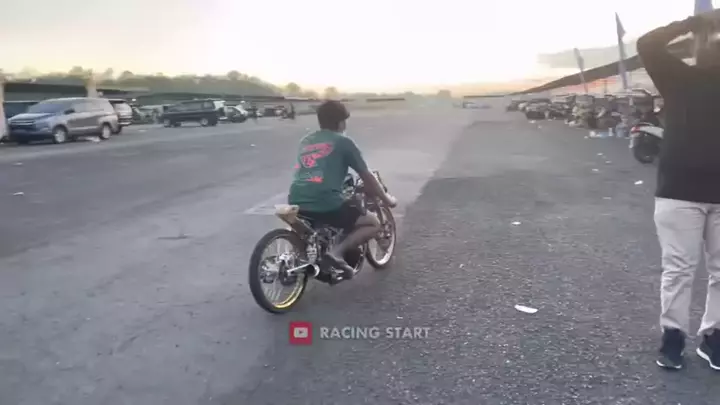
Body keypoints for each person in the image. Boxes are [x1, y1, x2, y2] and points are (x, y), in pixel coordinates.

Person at [637, 10, 720, 371]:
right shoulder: (677, 77)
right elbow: (647, 44)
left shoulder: (676, 77)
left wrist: (693, 25)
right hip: (679, 193)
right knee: (679, 269)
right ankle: (674, 336)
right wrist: (688, 23)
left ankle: (713, 337)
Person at [287, 100, 397, 279]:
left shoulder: (306, 141)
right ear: (340, 122)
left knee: (319, 220)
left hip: (296, 198)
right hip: (325, 201)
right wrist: (387, 199)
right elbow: (367, 176)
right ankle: (337, 253)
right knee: (373, 223)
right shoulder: (343, 142)